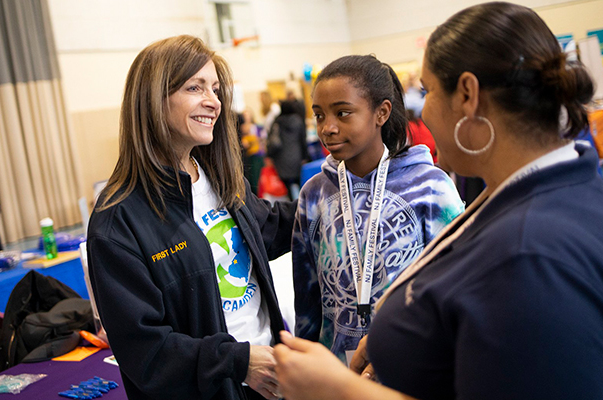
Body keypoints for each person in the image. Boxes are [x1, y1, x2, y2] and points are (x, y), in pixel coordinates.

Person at [275, 3, 603, 400]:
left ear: (467, 95)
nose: (422, 111)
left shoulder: (533, 254)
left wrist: (337, 389)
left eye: (427, 92)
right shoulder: (542, 187)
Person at [86, 35, 296, 400]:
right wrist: (238, 362)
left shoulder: (219, 177)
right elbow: (146, 352)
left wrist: (333, 198)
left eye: (215, 89)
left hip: (267, 379)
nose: (213, 102)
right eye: (194, 87)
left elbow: (269, 227)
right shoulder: (117, 220)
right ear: (153, 99)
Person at [292, 54, 464, 365]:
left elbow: (457, 289)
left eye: (343, 113)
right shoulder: (314, 194)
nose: (328, 128)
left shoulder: (430, 187)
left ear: (381, 112)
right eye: (319, 116)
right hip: (337, 370)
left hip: (415, 366)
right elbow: (307, 295)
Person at [267, 100, 309, 200]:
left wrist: (269, 156)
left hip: (281, 158)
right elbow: (303, 140)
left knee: (287, 187)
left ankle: (293, 205)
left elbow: (271, 141)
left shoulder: (277, 122)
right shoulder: (298, 121)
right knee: (301, 183)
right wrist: (305, 156)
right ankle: (305, 202)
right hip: (296, 156)